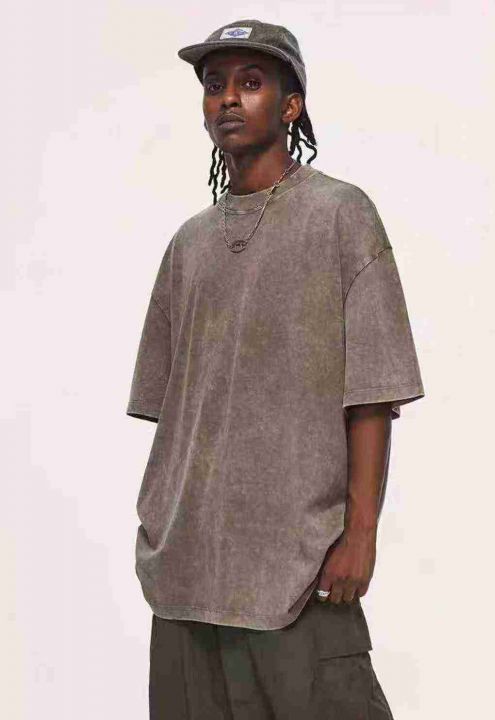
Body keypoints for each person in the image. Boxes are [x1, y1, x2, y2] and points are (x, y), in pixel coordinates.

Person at [126, 18, 425, 720]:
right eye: (214, 85)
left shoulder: (340, 215)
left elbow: (372, 395)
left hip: (298, 572)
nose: (228, 98)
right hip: (185, 577)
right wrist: (160, 529)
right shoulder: (189, 244)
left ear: (291, 106)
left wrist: (361, 534)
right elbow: (174, 415)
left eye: (251, 83)